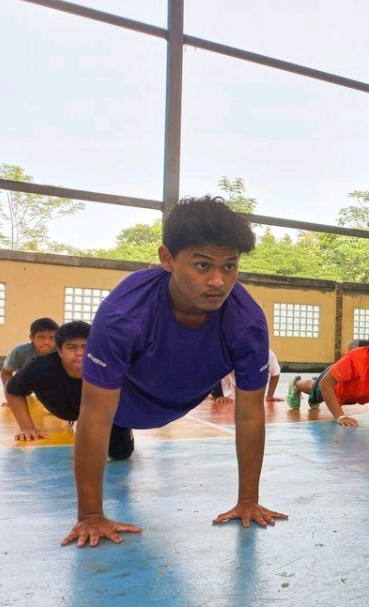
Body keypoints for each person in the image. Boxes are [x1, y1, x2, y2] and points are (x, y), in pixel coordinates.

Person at [62, 196, 286, 548]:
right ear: (166, 258)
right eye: (202, 266)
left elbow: (250, 415)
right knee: (114, 441)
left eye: (230, 266)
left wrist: (247, 500)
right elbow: (93, 414)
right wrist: (90, 516)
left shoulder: (246, 323)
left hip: (182, 398)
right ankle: (124, 436)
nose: (218, 281)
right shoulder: (124, 314)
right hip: (121, 402)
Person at [5, 321, 135, 458]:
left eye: (86, 347)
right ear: (60, 351)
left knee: (120, 453)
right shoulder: (40, 368)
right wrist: (27, 428)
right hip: (63, 407)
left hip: (103, 413)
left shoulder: (108, 366)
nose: (79, 353)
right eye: (71, 347)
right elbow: (12, 390)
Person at [286, 324, 369, 426]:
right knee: (315, 390)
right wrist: (340, 416)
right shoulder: (354, 360)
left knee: (319, 389)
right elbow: (325, 385)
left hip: (351, 395)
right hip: (334, 389)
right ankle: (296, 383)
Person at [2, 317, 59, 404]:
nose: (47, 342)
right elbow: (6, 373)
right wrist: (10, 397)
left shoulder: (61, 353)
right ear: (32, 338)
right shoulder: (20, 351)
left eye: (52, 338)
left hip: (50, 385)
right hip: (26, 384)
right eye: (41, 337)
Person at [213, 348, 283, 403]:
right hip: (222, 382)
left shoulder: (269, 354)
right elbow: (226, 373)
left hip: (247, 386)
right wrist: (224, 395)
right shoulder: (236, 354)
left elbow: (275, 374)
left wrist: (270, 395)